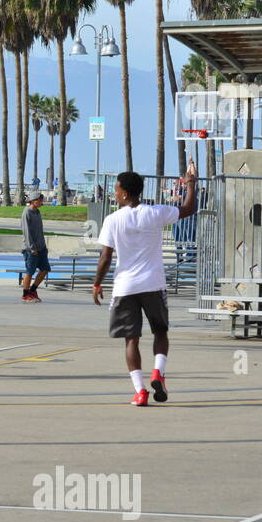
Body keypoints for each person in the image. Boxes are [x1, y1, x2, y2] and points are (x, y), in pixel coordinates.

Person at [92, 162, 198, 406]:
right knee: (160, 331)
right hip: (153, 283)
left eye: (117, 190)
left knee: (132, 339)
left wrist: (97, 285)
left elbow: (105, 258)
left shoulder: (112, 220)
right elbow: (188, 208)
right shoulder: (156, 212)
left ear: (126, 193)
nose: (115, 194)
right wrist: (190, 182)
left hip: (124, 287)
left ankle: (140, 391)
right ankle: (158, 372)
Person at [20, 192, 51, 302]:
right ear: (33, 201)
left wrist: (44, 246)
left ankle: (33, 290)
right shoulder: (27, 212)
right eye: (40, 200)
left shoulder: (37, 212)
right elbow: (26, 232)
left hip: (41, 247)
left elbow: (40, 231)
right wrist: (32, 248)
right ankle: (25, 293)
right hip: (30, 249)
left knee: (45, 269)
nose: (42, 202)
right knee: (30, 271)